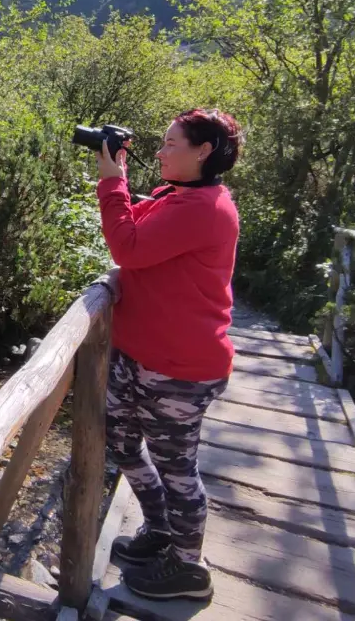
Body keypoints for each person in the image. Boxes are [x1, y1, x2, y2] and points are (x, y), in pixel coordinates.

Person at [94, 108, 243, 601]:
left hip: (180, 368)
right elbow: (140, 228)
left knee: (176, 466)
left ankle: (188, 569)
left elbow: (127, 248)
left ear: (203, 152)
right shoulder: (180, 197)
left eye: (171, 144)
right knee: (120, 442)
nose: (160, 151)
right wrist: (123, 184)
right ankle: (160, 530)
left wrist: (112, 181)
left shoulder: (206, 208)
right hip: (140, 355)